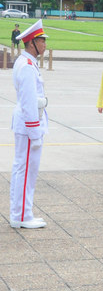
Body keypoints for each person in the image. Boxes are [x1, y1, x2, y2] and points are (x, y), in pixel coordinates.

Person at [10, 20, 49, 229]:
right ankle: (21, 216)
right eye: (42, 41)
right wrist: (35, 132)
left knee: (25, 171)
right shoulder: (26, 66)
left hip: (27, 124)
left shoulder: (28, 63)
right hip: (28, 125)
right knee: (25, 171)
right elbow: (28, 102)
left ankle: (24, 212)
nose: (44, 45)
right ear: (32, 42)